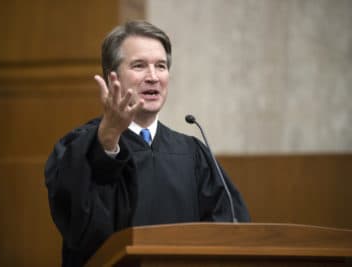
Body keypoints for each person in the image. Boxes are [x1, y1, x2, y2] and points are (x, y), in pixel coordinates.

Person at [45, 20, 250, 267]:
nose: (153, 77)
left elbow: (231, 230)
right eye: (139, 66)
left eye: (161, 66)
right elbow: (81, 226)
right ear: (113, 79)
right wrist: (107, 141)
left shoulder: (191, 152)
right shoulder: (81, 148)